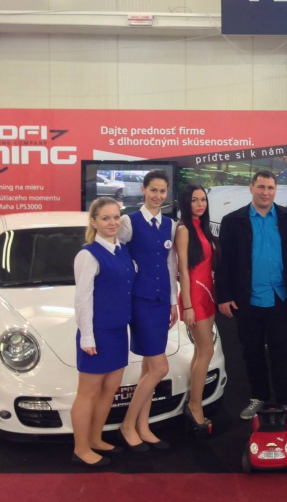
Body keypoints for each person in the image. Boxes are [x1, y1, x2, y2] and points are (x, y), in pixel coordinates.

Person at [216, 170, 287, 430]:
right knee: (252, 353)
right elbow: (224, 263)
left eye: (270, 188)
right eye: (261, 187)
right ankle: (259, 397)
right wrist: (224, 296)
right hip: (248, 300)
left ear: (275, 190)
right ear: (251, 188)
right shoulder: (233, 221)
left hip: (280, 298)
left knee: (281, 355)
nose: (266, 192)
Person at [71, 197, 136, 467]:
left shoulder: (122, 250)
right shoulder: (88, 255)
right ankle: (81, 448)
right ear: (94, 222)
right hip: (98, 333)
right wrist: (87, 336)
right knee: (88, 392)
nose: (113, 222)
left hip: (119, 331)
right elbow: (82, 300)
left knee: (110, 389)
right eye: (106, 218)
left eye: (116, 217)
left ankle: (96, 439)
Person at [118, 169, 178, 451]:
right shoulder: (128, 222)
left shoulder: (170, 225)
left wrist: (173, 301)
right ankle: (127, 425)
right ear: (143, 190)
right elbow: (116, 257)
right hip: (140, 301)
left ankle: (143, 426)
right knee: (159, 367)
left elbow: (170, 264)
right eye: (153, 190)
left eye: (162, 191)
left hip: (161, 300)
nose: (158, 195)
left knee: (148, 368)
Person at [175, 184, 218, 436]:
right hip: (195, 297)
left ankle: (193, 401)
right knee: (207, 351)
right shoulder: (183, 229)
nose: (200, 204)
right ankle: (195, 406)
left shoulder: (203, 227)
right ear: (185, 202)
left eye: (203, 199)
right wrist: (188, 306)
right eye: (194, 200)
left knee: (201, 352)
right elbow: (183, 270)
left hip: (208, 294)